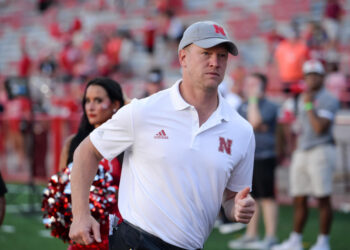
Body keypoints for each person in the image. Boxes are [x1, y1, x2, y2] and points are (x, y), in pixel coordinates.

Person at [69, 20, 256, 250]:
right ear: (183, 58)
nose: (215, 62)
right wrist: (80, 214)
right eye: (206, 53)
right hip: (134, 241)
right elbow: (87, 151)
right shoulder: (144, 110)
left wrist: (236, 209)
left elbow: (230, 199)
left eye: (222, 56)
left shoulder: (241, 130)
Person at [44, 77, 125, 250]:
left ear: (115, 104)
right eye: (87, 101)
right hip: (85, 237)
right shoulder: (72, 143)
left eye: (98, 100)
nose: (91, 106)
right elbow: (61, 190)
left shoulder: (127, 146)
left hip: (118, 236)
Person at [272, 60, 339, 250]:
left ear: (322, 77)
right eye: (308, 75)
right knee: (299, 197)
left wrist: (309, 106)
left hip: (321, 149)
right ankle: (295, 240)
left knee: (322, 197)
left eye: (315, 75)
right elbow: (293, 125)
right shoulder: (301, 98)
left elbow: (319, 128)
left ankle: (323, 242)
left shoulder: (328, 98)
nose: (311, 79)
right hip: (302, 150)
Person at [229, 73, 279, 249]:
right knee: (251, 196)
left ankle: (271, 236)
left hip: (264, 156)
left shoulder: (270, 106)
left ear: (263, 86)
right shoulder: (242, 105)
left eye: (254, 83)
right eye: (248, 83)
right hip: (248, 158)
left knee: (267, 197)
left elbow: (255, 122)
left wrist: (252, 101)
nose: (249, 86)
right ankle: (252, 235)